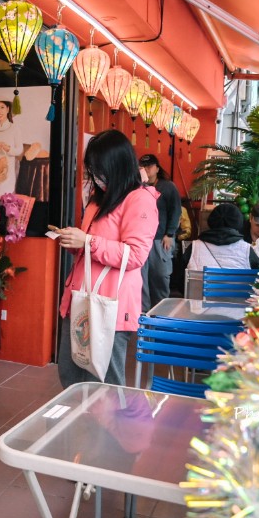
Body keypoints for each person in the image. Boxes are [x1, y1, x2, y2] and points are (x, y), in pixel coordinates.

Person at [54, 130, 158, 388]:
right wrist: (72, 241)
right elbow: (92, 249)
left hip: (110, 306)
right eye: (92, 169)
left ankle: (109, 430)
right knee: (71, 378)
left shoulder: (140, 199)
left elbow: (135, 255)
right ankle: (74, 429)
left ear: (117, 166)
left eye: (99, 169)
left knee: (106, 386)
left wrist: (87, 242)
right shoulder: (98, 200)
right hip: (80, 301)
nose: (95, 176)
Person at [138, 154, 182, 310]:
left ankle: (161, 314)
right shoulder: (137, 187)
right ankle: (142, 315)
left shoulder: (168, 186)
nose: (146, 170)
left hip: (160, 239)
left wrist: (170, 234)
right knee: (140, 280)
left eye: (149, 166)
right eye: (142, 167)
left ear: (157, 168)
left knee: (160, 277)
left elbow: (176, 211)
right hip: (141, 240)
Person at [183, 203, 259, 272]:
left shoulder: (194, 247)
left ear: (211, 220)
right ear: (238, 222)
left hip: (198, 290)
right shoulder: (247, 250)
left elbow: (181, 282)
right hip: (236, 290)